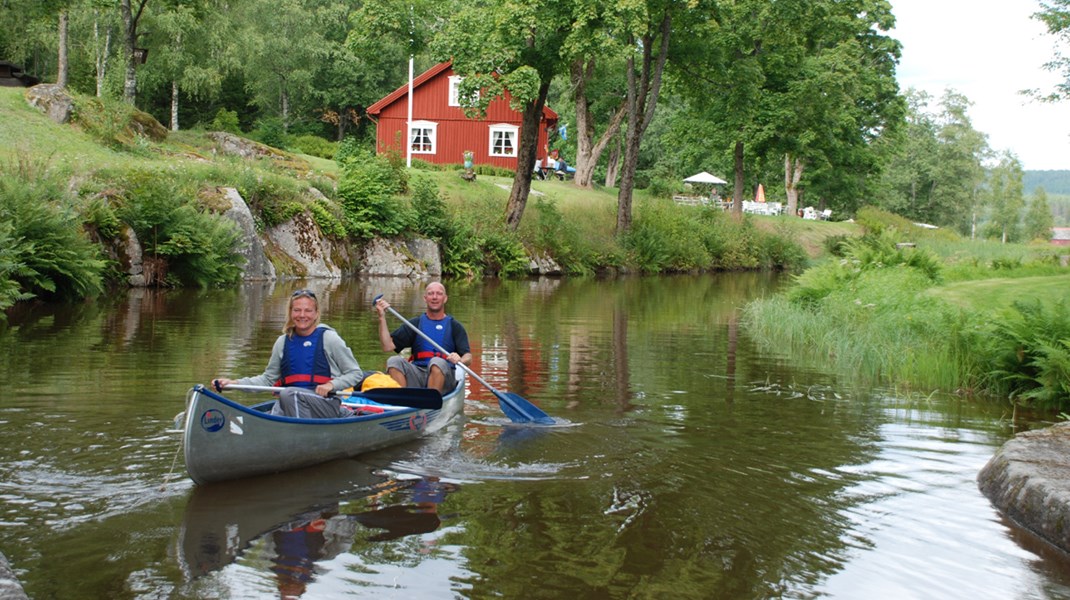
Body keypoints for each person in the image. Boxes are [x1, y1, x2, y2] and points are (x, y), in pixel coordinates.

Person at [212, 289, 364, 418]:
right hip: (291, 402)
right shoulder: (282, 342)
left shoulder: (329, 339)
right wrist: (234, 384)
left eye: (308, 310)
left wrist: (332, 384)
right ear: (290, 312)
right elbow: (267, 380)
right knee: (280, 405)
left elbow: (355, 373)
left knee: (288, 395)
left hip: (325, 404)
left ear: (316, 313)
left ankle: (302, 436)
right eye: (297, 310)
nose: (302, 315)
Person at [373, 282, 472, 393]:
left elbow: (468, 357)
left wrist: (460, 360)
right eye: (431, 294)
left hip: (444, 377)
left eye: (439, 294)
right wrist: (382, 317)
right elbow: (387, 346)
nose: (435, 297)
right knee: (394, 361)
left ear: (445, 299)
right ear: (425, 298)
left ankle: (431, 401)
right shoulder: (415, 324)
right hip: (418, 373)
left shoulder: (454, 326)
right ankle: (402, 401)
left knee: (436, 362)